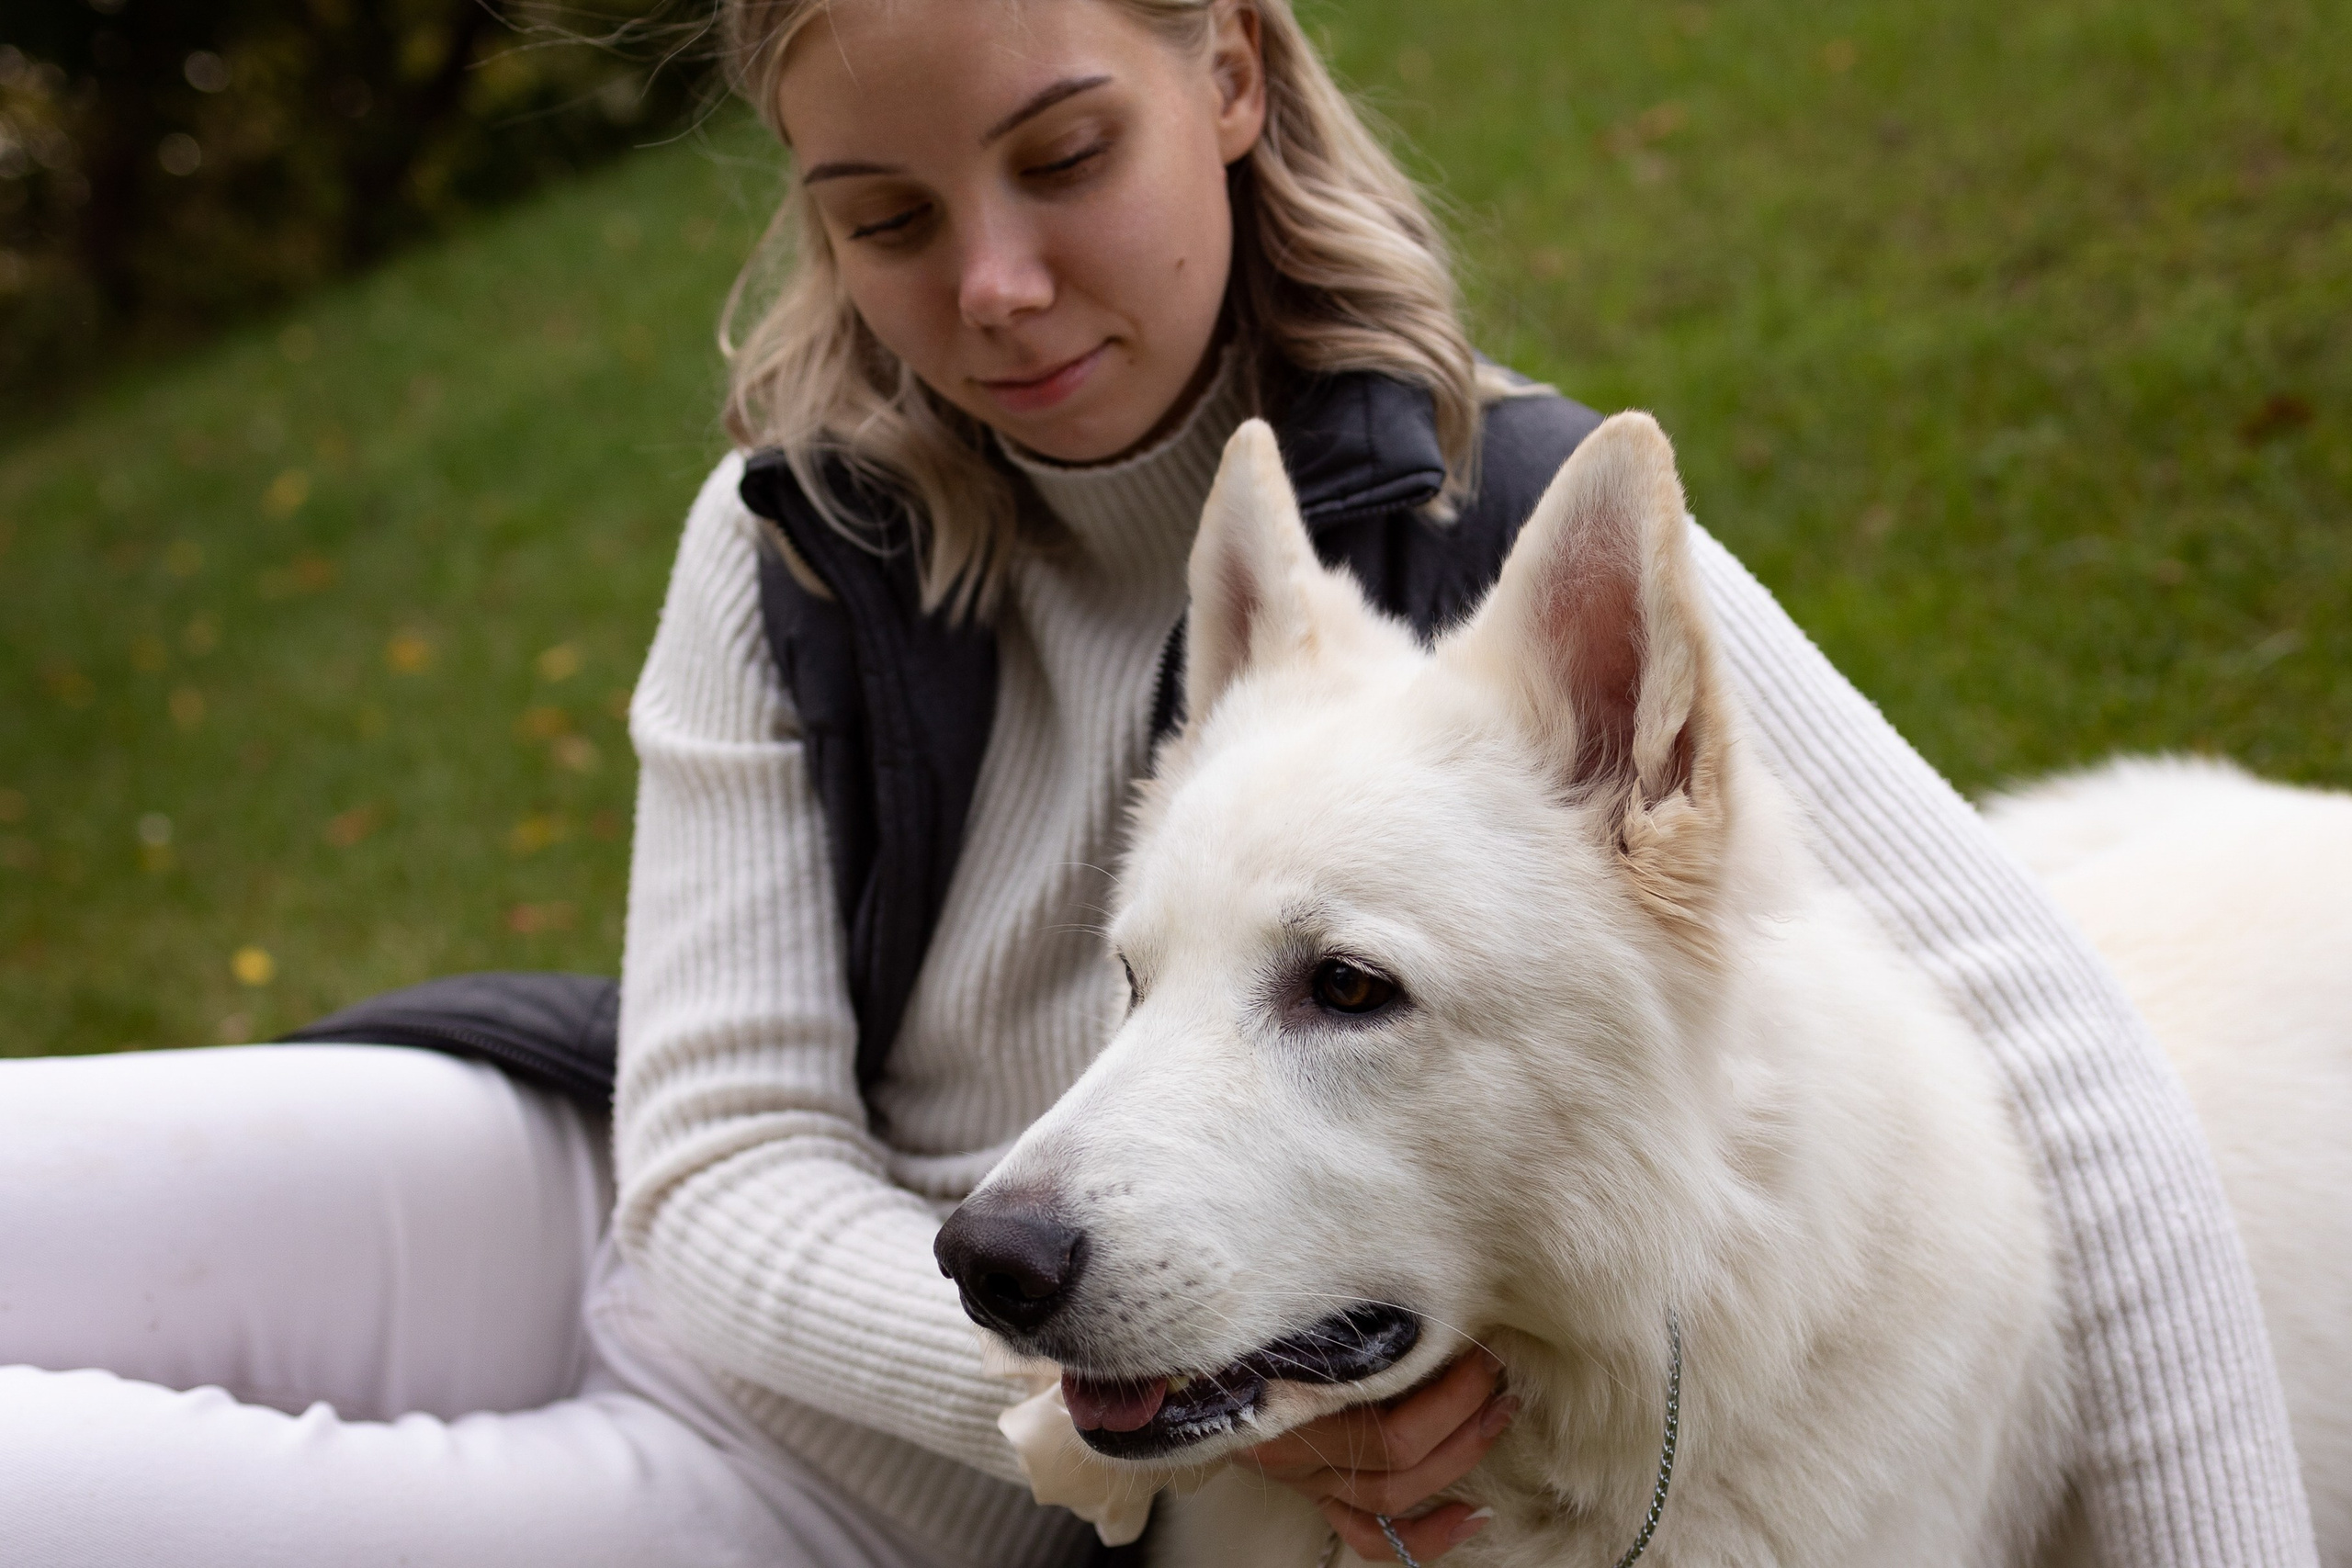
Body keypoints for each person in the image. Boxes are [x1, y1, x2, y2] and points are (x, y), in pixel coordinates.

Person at [0, 3, 2317, 1566]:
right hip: (610, 1188)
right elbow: (710, 1171)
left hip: (825, 1498)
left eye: (1060, 156)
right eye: (883, 216)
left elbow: (2041, 1025)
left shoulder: (1502, 521)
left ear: (1225, 69)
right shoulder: (790, 528)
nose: (993, 287)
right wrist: (1060, 1375)